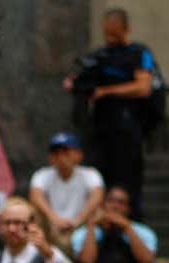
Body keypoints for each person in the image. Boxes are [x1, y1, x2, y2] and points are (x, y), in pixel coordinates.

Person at [65, 7, 155, 216]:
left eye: (115, 33)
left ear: (126, 29)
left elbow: (143, 87)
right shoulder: (99, 56)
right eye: (107, 33)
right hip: (100, 130)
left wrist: (106, 91)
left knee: (129, 185)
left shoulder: (139, 53)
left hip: (128, 130)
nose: (111, 39)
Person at [72, 184, 156, 263]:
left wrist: (127, 227)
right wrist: (91, 225)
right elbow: (87, 262)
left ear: (128, 209)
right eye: (111, 201)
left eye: (121, 202)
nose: (115, 206)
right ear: (103, 205)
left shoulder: (144, 232)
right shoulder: (83, 233)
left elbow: (147, 261)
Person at [29, 132, 104, 241]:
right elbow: (35, 197)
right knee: (31, 212)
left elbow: (97, 197)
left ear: (79, 155)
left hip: (82, 227)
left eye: (66, 152)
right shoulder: (42, 174)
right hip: (51, 227)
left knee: (99, 213)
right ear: (50, 157)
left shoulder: (91, 174)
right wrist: (55, 220)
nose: (60, 157)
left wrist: (78, 221)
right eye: (56, 153)